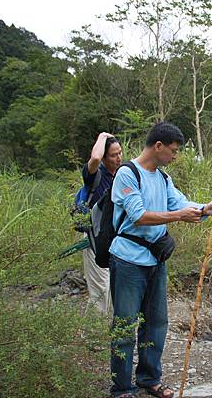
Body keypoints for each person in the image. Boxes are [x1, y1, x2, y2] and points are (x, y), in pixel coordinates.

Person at [108, 122, 212, 398]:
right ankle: (122, 387)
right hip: (127, 261)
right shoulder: (127, 173)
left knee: (157, 323)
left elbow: (181, 204)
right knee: (125, 326)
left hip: (155, 261)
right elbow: (138, 215)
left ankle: (149, 378)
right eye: (172, 151)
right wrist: (179, 216)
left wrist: (204, 208)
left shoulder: (162, 178)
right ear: (158, 146)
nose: (175, 156)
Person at [82, 132, 122, 314]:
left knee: (116, 289)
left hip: (117, 239)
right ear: (105, 158)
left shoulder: (123, 175)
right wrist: (101, 137)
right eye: (114, 155)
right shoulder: (94, 176)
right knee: (100, 289)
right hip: (95, 239)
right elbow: (95, 157)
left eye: (120, 153)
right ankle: (94, 336)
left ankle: (113, 333)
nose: (119, 158)